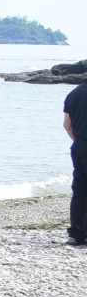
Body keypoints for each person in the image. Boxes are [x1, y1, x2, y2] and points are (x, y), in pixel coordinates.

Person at [65, 78, 87, 244]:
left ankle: (76, 234)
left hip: (79, 145)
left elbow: (67, 125)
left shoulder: (74, 93)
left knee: (80, 190)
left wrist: (79, 141)